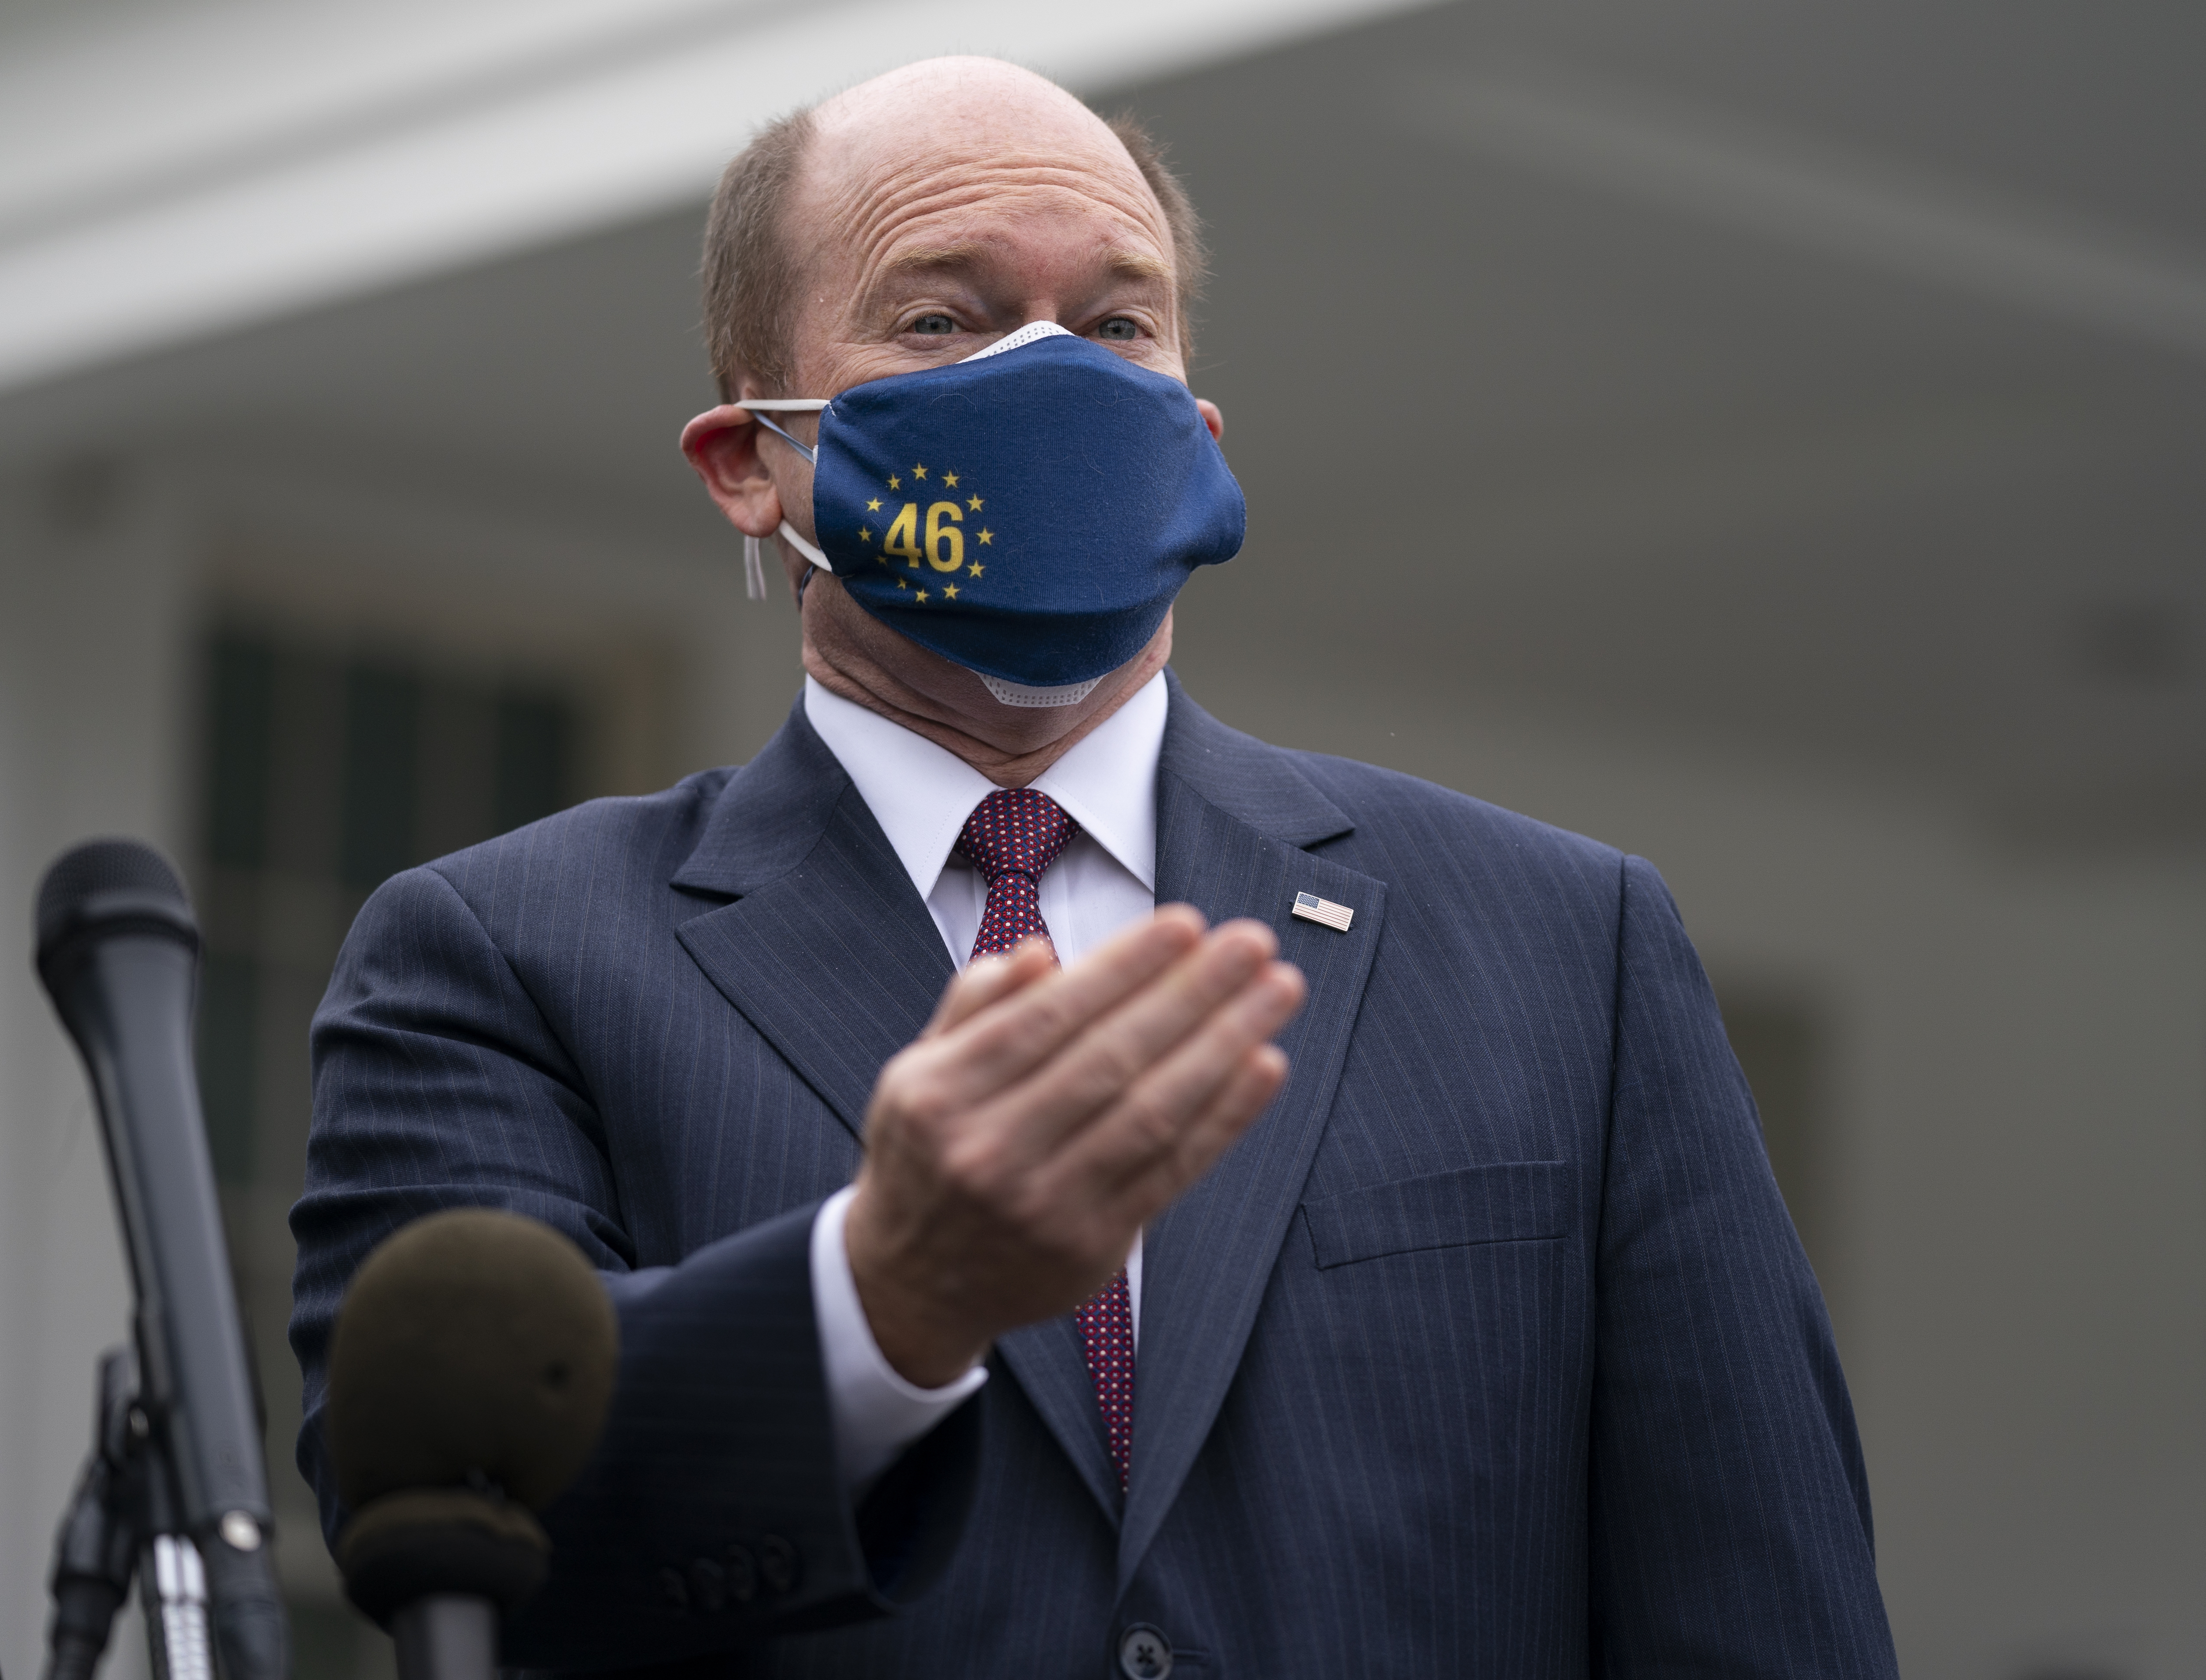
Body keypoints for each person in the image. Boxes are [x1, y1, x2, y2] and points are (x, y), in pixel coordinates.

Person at [289, 56, 1899, 1679]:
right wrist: (878, 1302)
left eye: (1118, 323)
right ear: (750, 462)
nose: (1050, 379)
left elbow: (1761, 1609)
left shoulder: (1565, 946)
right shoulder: (498, 958)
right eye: (943, 320)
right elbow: (444, 1529)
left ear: (1193, 438)